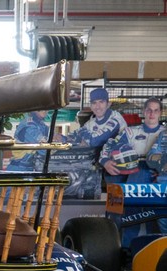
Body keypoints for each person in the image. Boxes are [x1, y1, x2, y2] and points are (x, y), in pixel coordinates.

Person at [101, 97, 165, 238]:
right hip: (132, 172)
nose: (152, 114)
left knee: (156, 215)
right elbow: (110, 145)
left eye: (155, 110)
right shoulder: (130, 131)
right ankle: (125, 248)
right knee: (129, 213)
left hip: (158, 174)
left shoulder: (165, 134)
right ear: (143, 111)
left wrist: (162, 173)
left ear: (160, 112)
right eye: (149, 110)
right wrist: (105, 161)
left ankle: (154, 249)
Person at [60, 87, 127, 150]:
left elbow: (95, 142)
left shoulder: (115, 119)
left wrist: (84, 138)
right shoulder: (91, 122)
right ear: (91, 106)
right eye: (94, 103)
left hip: (121, 158)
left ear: (108, 104)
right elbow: (74, 135)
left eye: (101, 102)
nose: (97, 106)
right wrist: (62, 138)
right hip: (104, 157)